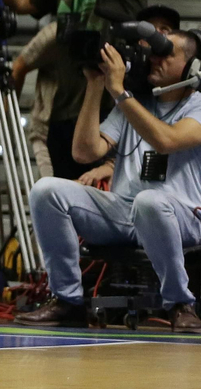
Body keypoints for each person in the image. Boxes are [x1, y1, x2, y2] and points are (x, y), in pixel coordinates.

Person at [18, 27, 201, 331]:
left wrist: (120, 92)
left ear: (192, 67)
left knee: (150, 201)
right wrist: (96, 85)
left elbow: (166, 141)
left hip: (181, 215)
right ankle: (68, 301)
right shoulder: (135, 101)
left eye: (167, 53)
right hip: (124, 211)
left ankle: (180, 303)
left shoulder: (197, 105)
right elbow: (84, 151)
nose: (155, 58)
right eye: (154, 51)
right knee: (46, 190)